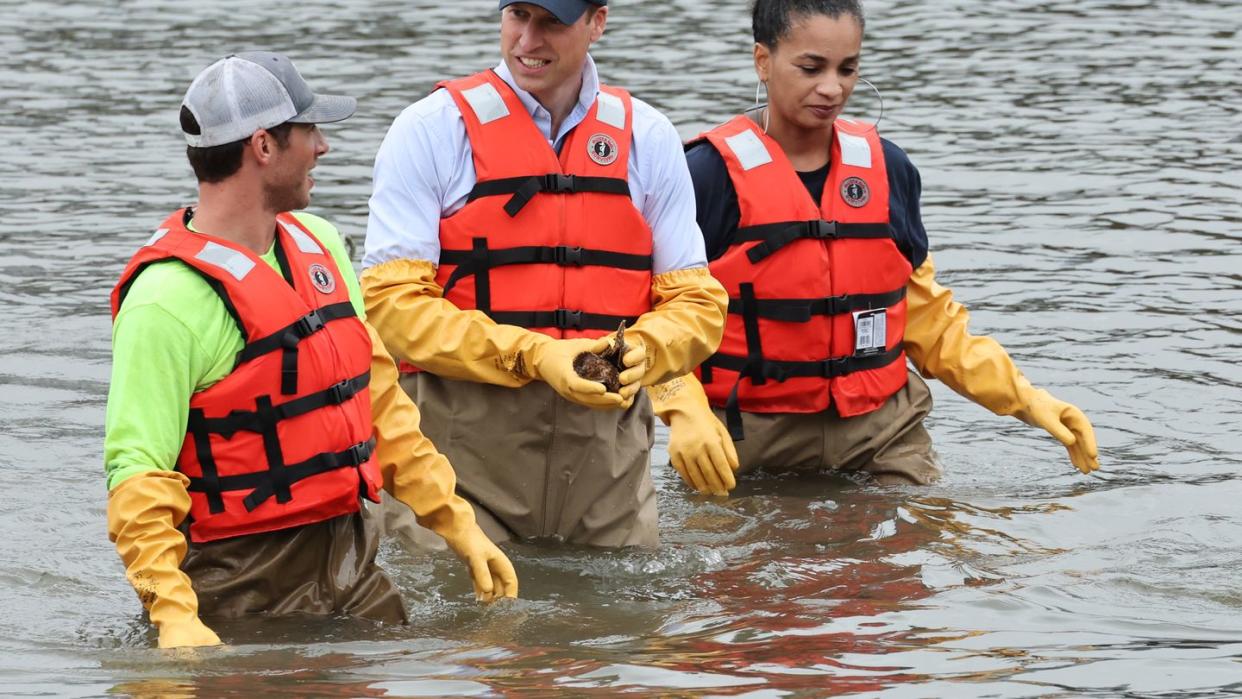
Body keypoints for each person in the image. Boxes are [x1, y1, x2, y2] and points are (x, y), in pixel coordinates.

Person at [104, 51, 518, 650]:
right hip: (236, 590)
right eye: (309, 131)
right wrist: (173, 614)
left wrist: (456, 521)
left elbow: (378, 402)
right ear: (264, 146)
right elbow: (137, 472)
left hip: (352, 566)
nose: (323, 146)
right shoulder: (164, 301)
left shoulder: (319, 242)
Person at [649, 0, 1100, 495]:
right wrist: (683, 407)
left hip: (883, 433)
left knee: (921, 549)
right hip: (745, 433)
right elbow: (653, 312)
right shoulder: (705, 176)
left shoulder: (889, 169)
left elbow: (929, 320)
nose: (832, 88)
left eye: (849, 68)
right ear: (763, 60)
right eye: (811, 67)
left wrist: (1029, 401)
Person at [361, 0, 727, 547]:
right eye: (518, 16)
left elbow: (697, 305)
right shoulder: (430, 130)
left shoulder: (649, 138)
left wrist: (644, 351)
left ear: (597, 22)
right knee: (466, 624)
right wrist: (532, 354)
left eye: (552, 22)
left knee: (622, 628)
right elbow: (389, 304)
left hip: (608, 466)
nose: (528, 39)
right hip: (460, 458)